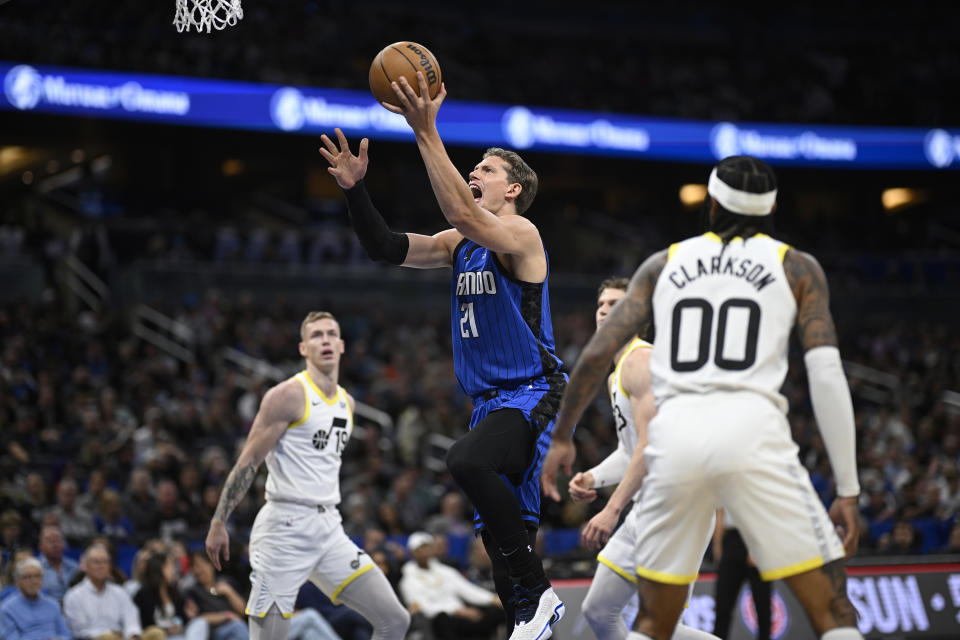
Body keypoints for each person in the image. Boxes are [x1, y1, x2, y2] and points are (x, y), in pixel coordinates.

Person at [543, 155, 863, 640]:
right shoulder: (797, 265)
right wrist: (847, 488)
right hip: (754, 435)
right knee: (834, 613)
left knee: (653, 624)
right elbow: (826, 374)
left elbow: (593, 356)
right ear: (772, 207)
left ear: (711, 203)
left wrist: (563, 435)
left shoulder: (662, 263)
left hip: (677, 448)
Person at [320, 70, 566, 640]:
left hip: (533, 389)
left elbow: (462, 214)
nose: (476, 170)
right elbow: (386, 249)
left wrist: (425, 130)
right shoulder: (459, 247)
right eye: (474, 164)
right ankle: (530, 610)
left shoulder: (522, 234)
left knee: (465, 462)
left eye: (487, 168)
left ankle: (543, 592)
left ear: (512, 191)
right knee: (502, 550)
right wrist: (356, 191)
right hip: (489, 403)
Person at [204, 311, 410, 640]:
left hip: (328, 527)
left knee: (395, 620)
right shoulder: (286, 396)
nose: (325, 340)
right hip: (284, 528)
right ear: (303, 348)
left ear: (342, 346)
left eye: (331, 334)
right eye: (316, 335)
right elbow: (248, 462)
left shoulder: (348, 403)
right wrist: (218, 521)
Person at [561, 278, 718, 640]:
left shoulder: (641, 361)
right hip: (650, 504)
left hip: (680, 506)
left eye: (616, 304)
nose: (604, 311)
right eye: (601, 305)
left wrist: (612, 508)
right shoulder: (618, 371)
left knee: (661, 628)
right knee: (598, 611)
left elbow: (652, 444)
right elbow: (631, 451)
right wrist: (593, 477)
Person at [400, 531, 503, 640]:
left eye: (427, 547)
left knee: (499, 612)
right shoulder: (407, 580)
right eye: (420, 549)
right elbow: (423, 607)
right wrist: (457, 611)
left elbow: (466, 589)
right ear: (412, 552)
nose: (424, 552)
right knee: (442, 618)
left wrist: (492, 599)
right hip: (437, 623)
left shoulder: (446, 571)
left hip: (462, 617)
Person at [62, 543, 151, 640]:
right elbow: (80, 631)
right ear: (85, 566)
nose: (101, 566)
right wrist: (110, 635)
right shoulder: (73, 596)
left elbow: (131, 618)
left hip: (122, 637)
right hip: (96, 638)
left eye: (105, 562)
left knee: (155, 633)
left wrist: (132, 635)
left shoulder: (120, 592)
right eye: (96, 562)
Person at [712, 509, 770, 640]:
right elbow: (720, 510)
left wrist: (756, 545)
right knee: (722, 605)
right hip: (731, 540)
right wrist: (717, 544)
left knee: (762, 606)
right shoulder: (723, 487)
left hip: (757, 539)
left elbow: (763, 509)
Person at [0, 556, 72, 639]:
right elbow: (10, 638)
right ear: (17, 581)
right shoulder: (7, 608)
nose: (34, 581)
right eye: (28, 577)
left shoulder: (53, 604)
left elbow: (66, 634)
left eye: (37, 576)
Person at [37, 525, 79, 603]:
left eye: (58, 541)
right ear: (41, 547)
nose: (55, 545)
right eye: (50, 542)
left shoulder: (75, 567)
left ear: (64, 545)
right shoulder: (36, 569)